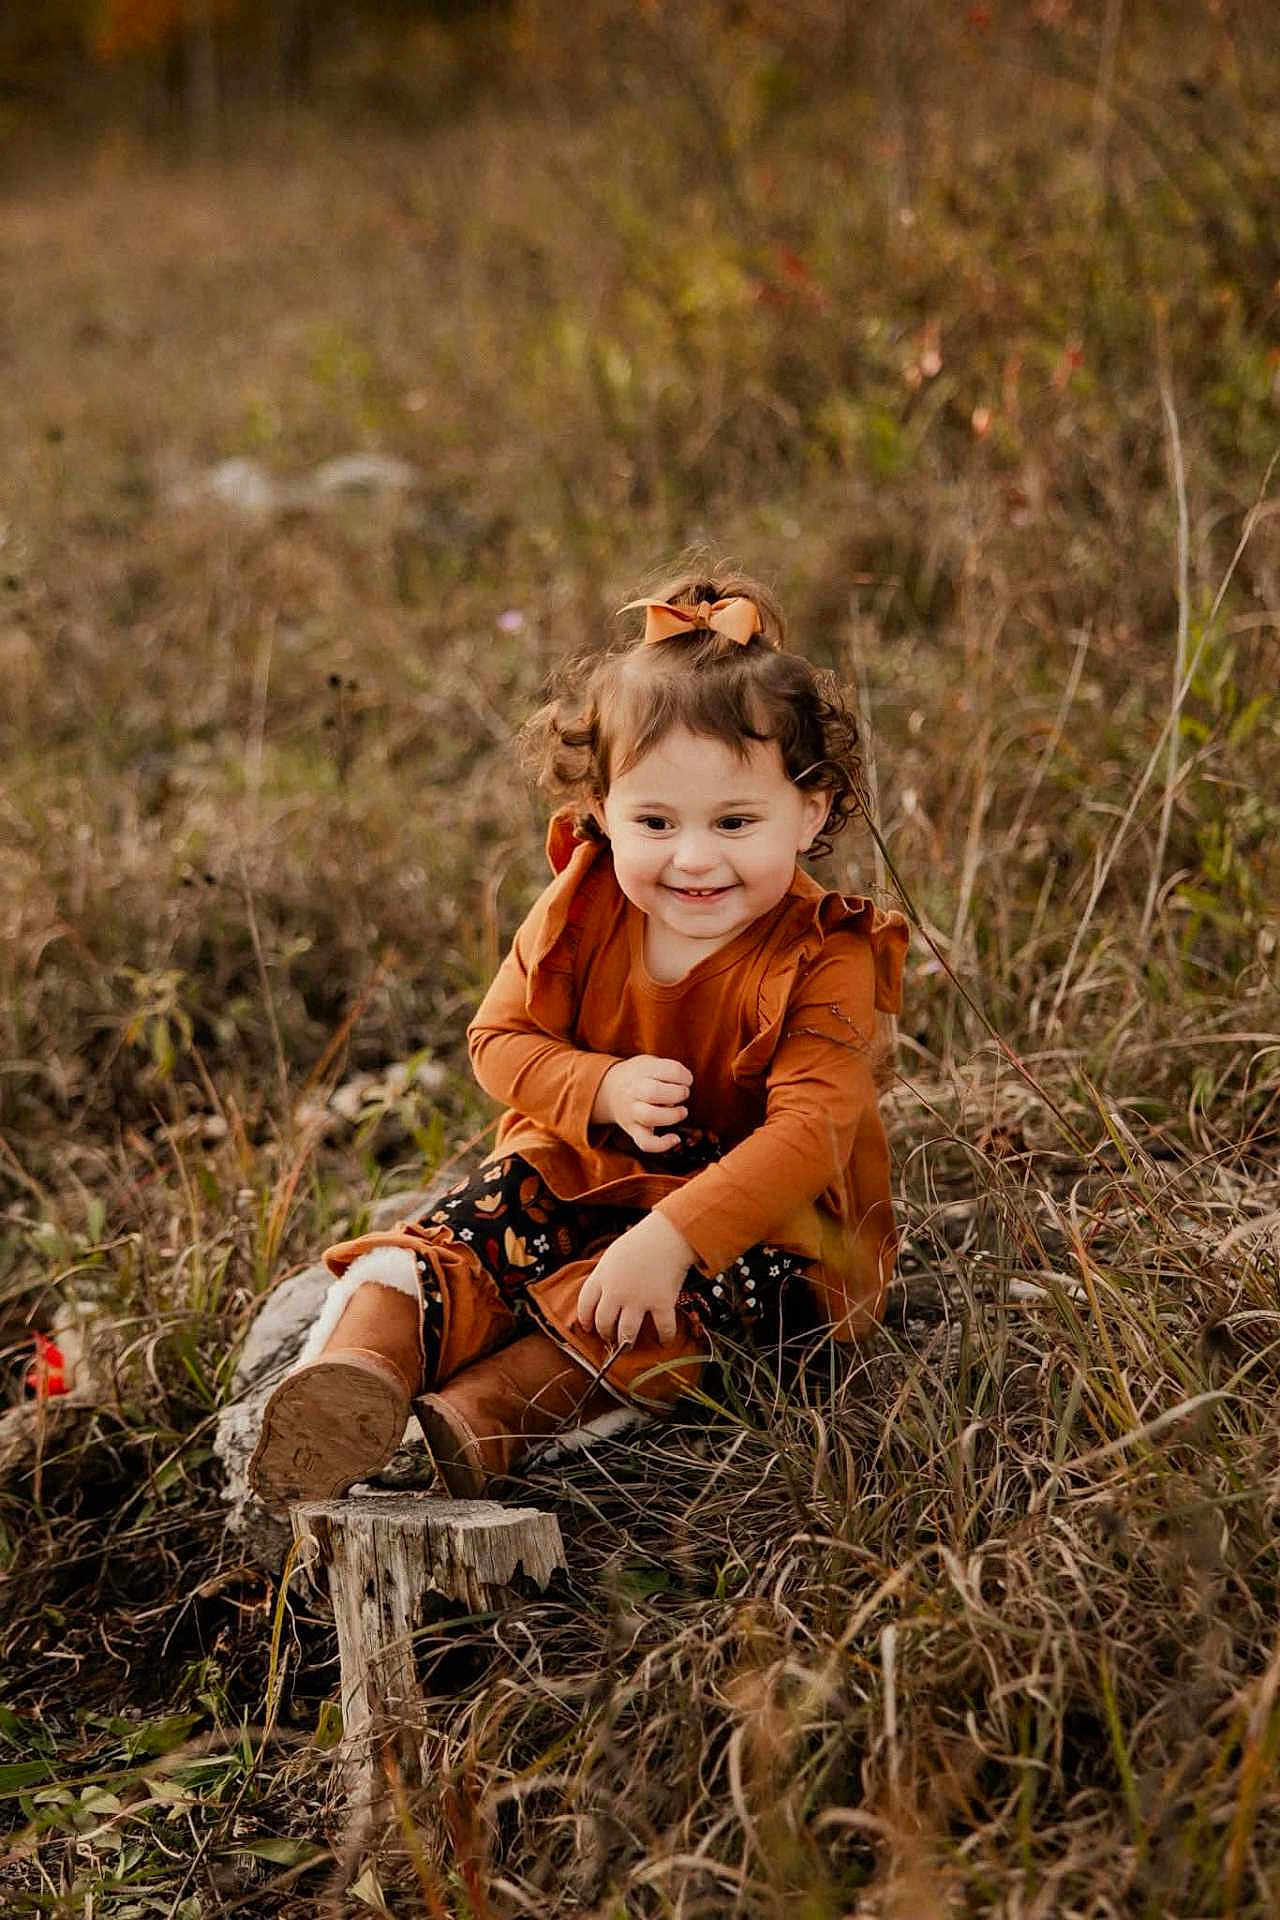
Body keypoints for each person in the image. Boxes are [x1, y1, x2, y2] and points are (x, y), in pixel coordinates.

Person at [248, 568, 908, 1510]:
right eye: (654, 821)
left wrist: (676, 1236)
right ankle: (357, 1375)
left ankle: (487, 1417)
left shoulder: (824, 955)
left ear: (810, 810)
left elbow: (812, 1133)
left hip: (764, 1222)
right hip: (586, 1168)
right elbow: (499, 1039)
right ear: (599, 809)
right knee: (455, 1239)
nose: (692, 857)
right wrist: (595, 1088)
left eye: (734, 821)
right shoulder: (586, 901)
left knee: (659, 1313)